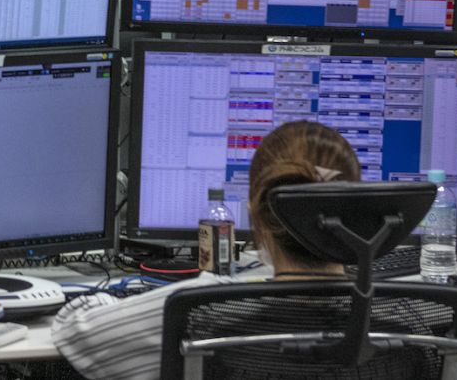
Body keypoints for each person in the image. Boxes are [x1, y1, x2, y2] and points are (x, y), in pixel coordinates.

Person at [50, 120, 362, 380]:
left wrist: (105, 301)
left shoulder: (204, 306)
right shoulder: (402, 308)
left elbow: (76, 333)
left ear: (256, 213)